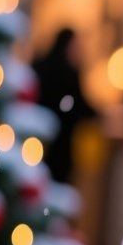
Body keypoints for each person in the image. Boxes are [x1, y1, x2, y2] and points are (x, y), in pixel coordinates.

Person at [31, 27, 95, 186]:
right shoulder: (68, 73)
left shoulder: (39, 66)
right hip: (59, 145)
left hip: (36, 141)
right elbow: (80, 106)